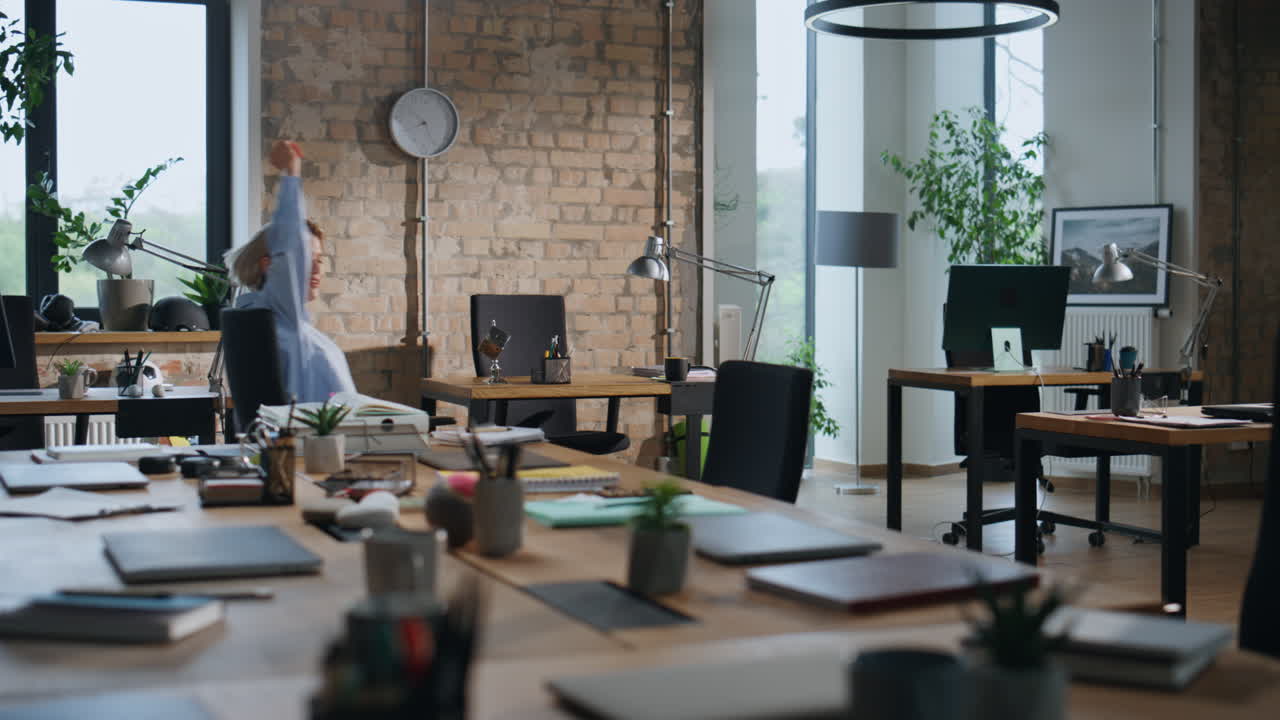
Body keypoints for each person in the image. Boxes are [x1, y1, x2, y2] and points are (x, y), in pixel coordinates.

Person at [224, 140, 355, 402]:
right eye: (308, 259)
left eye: (320, 259)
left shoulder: (264, 319)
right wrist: (291, 174)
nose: (317, 268)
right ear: (270, 265)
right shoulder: (283, 321)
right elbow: (289, 243)